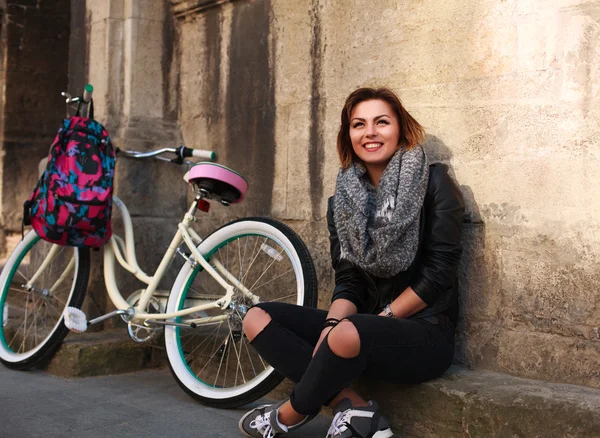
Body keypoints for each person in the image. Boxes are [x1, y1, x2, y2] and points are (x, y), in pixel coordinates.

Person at [238, 87, 465, 438]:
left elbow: (440, 272)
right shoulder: (341, 202)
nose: (370, 132)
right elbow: (349, 281)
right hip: (359, 327)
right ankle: (355, 408)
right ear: (349, 136)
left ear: (401, 129)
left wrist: (377, 320)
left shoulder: (435, 182)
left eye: (381, 122)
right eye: (359, 124)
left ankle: (288, 415)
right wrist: (331, 327)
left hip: (425, 333)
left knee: (347, 332)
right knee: (256, 317)